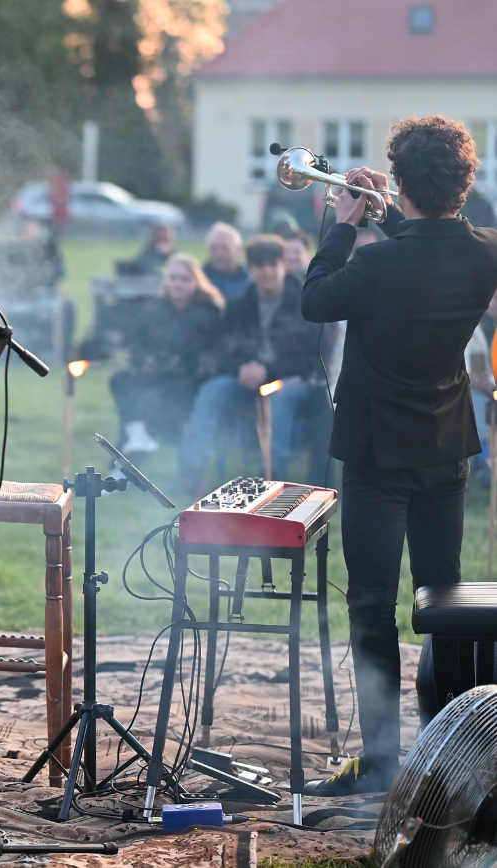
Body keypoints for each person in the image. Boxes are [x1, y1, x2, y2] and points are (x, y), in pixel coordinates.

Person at [301, 116, 497, 795]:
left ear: (403, 183)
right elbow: (428, 256)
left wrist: (345, 220)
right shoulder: (486, 251)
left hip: (378, 456)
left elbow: (315, 299)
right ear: (464, 184)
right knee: (445, 601)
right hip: (448, 447)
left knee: (372, 603)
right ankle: (454, 757)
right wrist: (389, 216)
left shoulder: (375, 260)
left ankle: (382, 759)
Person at [176, 234, 321, 491]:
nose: (267, 271)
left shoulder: (305, 304)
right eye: (259, 265)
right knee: (211, 392)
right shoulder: (239, 306)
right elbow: (221, 352)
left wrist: (269, 370)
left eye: (272, 264)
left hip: (293, 381)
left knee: (281, 399)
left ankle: (272, 480)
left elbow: (312, 358)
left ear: (284, 265)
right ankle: (191, 474)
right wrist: (242, 367)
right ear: (251, 268)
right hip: (246, 379)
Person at [109, 253, 224, 456]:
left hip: (189, 379)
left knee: (148, 398)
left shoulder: (208, 313)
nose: (178, 284)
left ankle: (138, 456)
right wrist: (145, 360)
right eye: (173, 278)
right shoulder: (154, 309)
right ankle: (137, 434)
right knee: (122, 379)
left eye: (184, 279)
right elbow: (136, 343)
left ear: (196, 281)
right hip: (154, 372)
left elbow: (206, 352)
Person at [201, 222, 251, 300]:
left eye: (225, 248)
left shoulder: (250, 282)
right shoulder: (197, 280)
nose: (218, 254)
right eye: (213, 248)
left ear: (239, 250)